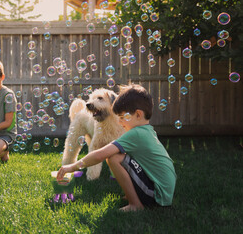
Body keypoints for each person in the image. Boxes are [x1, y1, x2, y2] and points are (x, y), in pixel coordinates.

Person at [57, 84, 176, 212]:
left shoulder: (134, 134)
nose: (119, 122)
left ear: (138, 115)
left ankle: (136, 204)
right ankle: (136, 194)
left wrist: (72, 167)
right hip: (164, 190)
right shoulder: (148, 131)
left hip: (156, 194)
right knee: (121, 156)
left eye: (122, 117)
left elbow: (99, 155)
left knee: (113, 157)